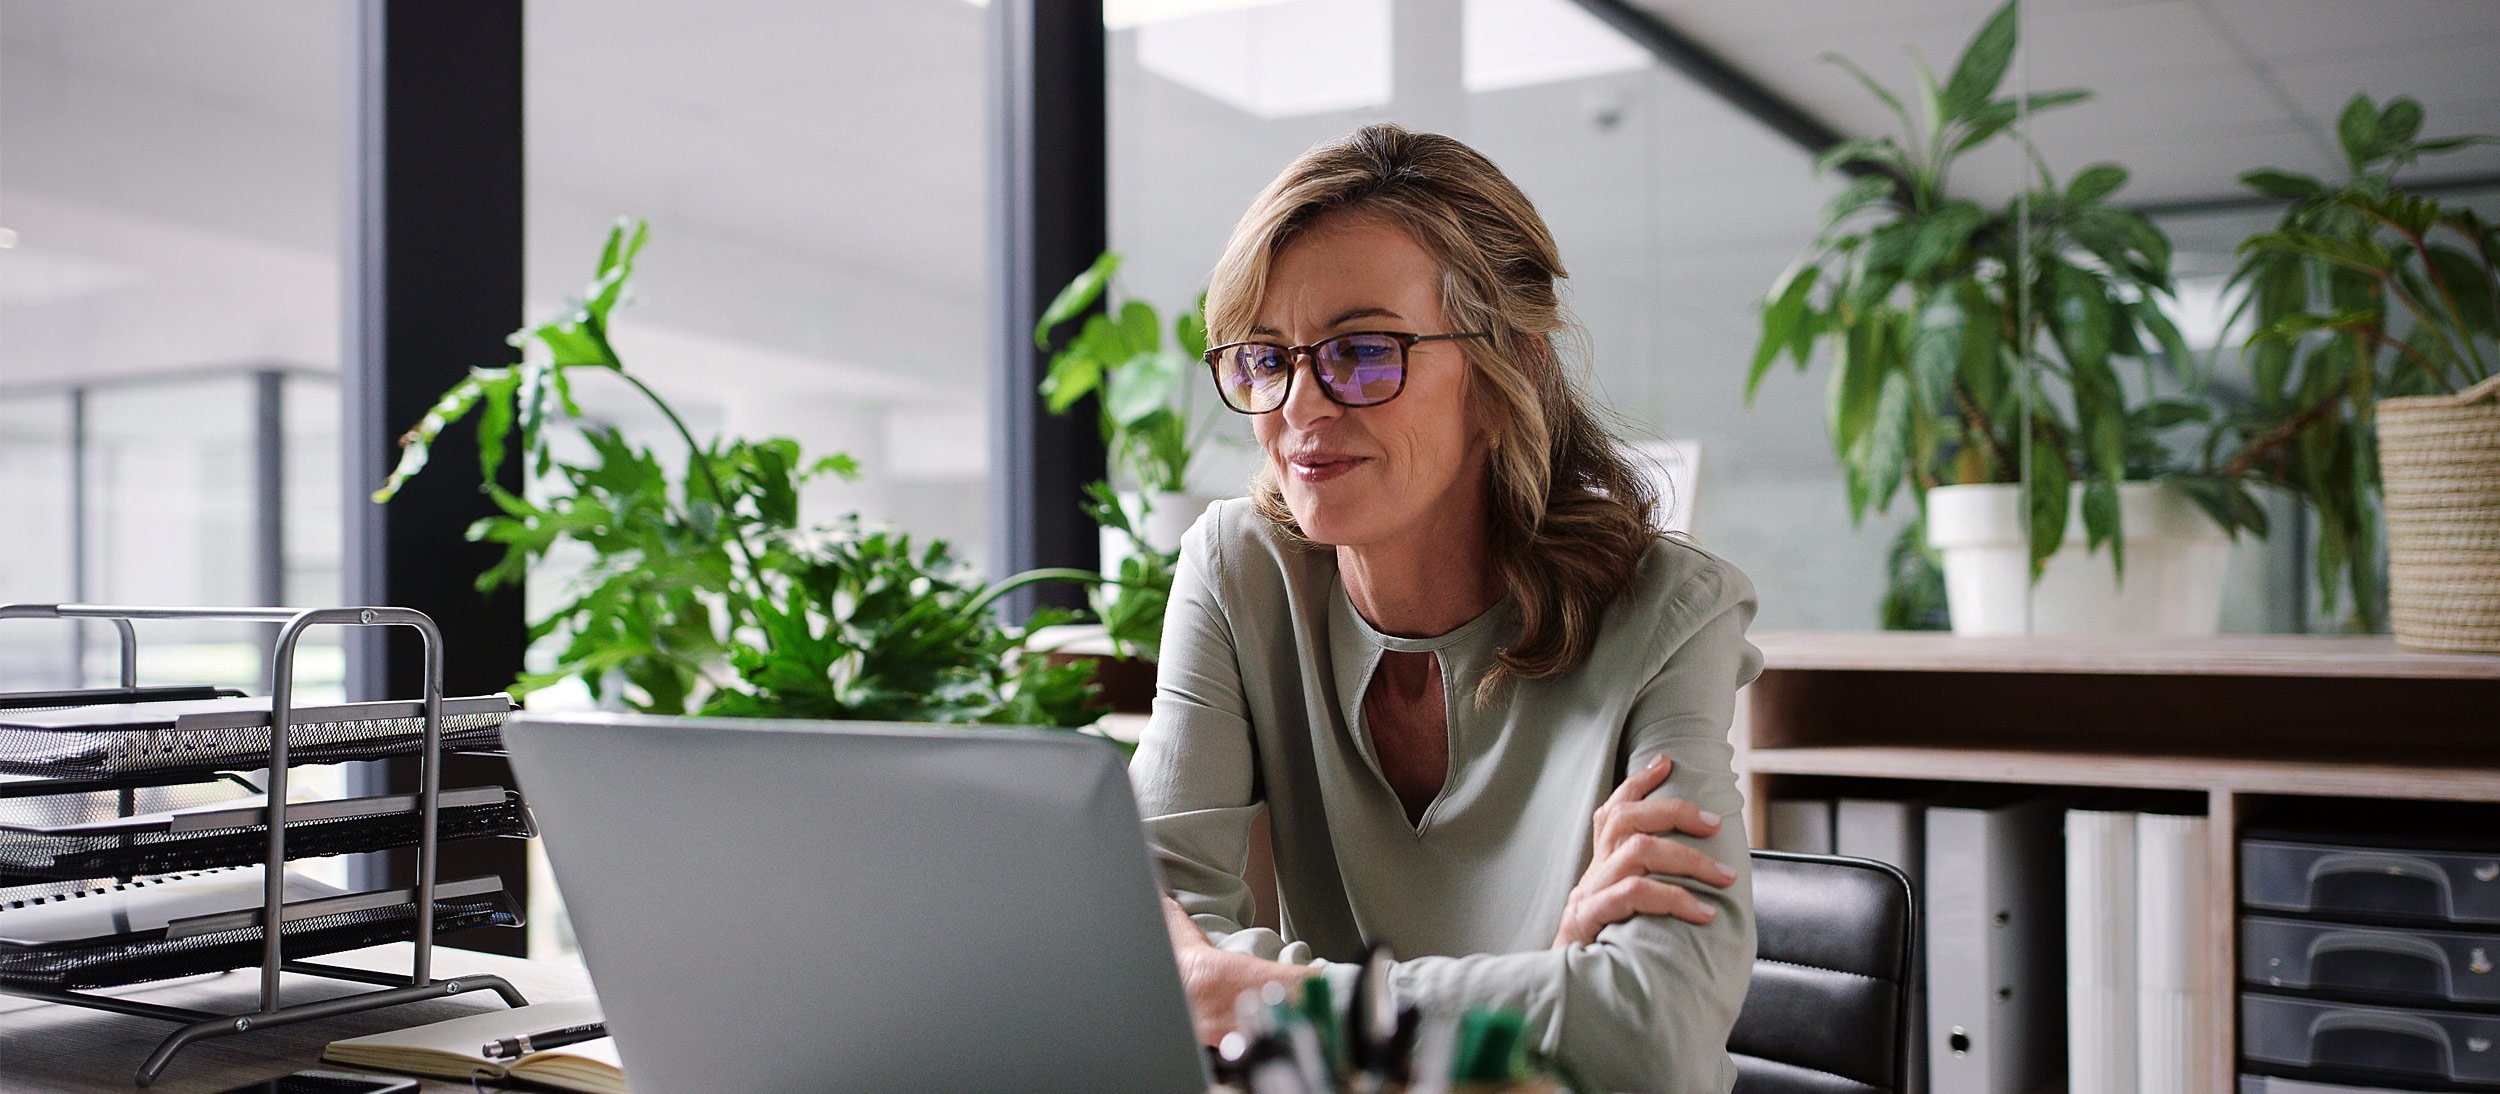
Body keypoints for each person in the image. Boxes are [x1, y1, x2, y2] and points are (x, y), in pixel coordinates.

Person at [1131, 123, 1763, 1094]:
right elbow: (1135, 958)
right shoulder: (1238, 570)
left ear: (1509, 363)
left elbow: (1654, 1036)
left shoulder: (1670, 612)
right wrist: (1546, 990)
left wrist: (1247, 989)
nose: (1300, 404)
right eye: (1264, 356)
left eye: (1362, 351)